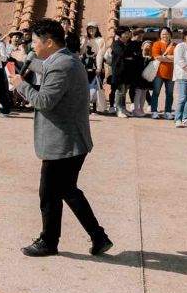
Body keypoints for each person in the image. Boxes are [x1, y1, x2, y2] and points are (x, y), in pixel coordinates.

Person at [9, 19, 112, 258]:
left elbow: (44, 101)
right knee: (67, 190)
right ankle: (99, 237)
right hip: (72, 141)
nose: (33, 46)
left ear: (49, 42)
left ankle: (49, 241)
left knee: (49, 194)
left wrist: (21, 85)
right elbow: (48, 68)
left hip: (64, 143)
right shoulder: (64, 59)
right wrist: (29, 61)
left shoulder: (61, 65)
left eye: (35, 42)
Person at [110, 27, 139, 118]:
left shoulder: (130, 43)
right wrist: (129, 54)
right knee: (120, 91)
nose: (127, 35)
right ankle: (118, 109)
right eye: (125, 33)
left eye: (128, 33)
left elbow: (135, 54)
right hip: (119, 72)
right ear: (120, 34)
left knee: (125, 91)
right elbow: (122, 53)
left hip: (128, 71)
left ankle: (123, 108)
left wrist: (130, 55)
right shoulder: (116, 44)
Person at [150, 27, 176, 120]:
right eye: (163, 34)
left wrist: (164, 57)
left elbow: (177, 57)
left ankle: (167, 112)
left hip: (171, 73)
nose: (165, 36)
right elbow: (157, 57)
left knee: (169, 93)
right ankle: (154, 111)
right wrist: (170, 58)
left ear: (170, 34)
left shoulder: (174, 45)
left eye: (167, 33)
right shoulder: (156, 44)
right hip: (158, 73)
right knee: (156, 92)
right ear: (160, 35)